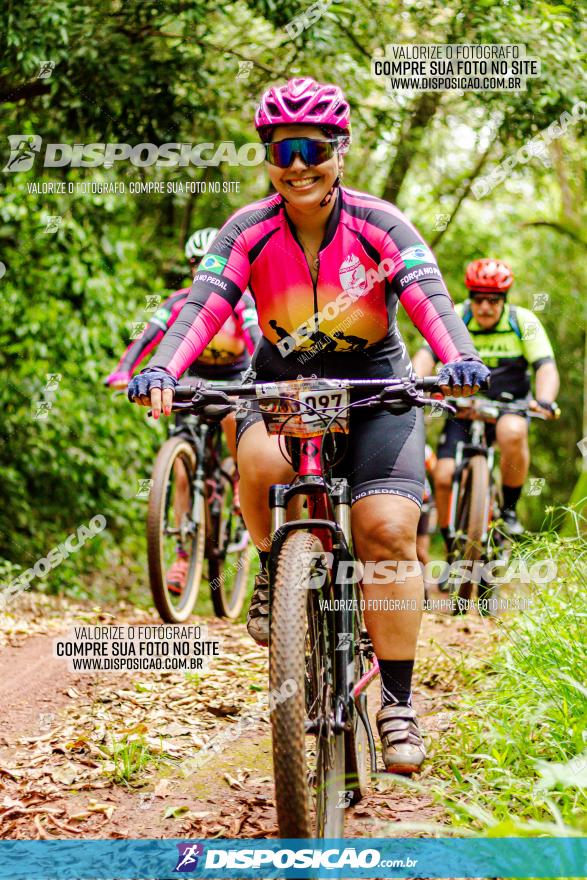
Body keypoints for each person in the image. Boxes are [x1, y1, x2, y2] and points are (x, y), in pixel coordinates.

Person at [128, 77, 489, 774]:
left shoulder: (382, 225)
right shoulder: (248, 229)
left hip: (375, 384)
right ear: (266, 154)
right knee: (259, 462)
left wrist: (460, 357)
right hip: (284, 381)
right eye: (280, 148)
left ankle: (396, 701)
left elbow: (430, 298)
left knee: (386, 531)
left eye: (312, 147)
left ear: (338, 151)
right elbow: (203, 303)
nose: (297, 163)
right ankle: (276, 570)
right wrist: (165, 368)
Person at [107, 228, 261, 590]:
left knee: (230, 414)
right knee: (179, 470)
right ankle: (180, 554)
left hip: (236, 376)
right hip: (192, 378)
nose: (200, 270)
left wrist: (261, 378)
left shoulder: (242, 300)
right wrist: (124, 370)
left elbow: (256, 340)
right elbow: (149, 336)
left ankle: (239, 475)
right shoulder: (178, 301)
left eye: (209, 263)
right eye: (196, 263)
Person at [412, 258, 559, 541]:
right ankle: (452, 543)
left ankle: (510, 511)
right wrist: (416, 384)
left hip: (509, 406)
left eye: (493, 300)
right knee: (443, 475)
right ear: (470, 298)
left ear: (504, 299)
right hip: (463, 409)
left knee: (513, 431)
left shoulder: (522, 321)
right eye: (478, 300)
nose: (485, 307)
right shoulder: (456, 317)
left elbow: (545, 366)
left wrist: (545, 399)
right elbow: (426, 356)